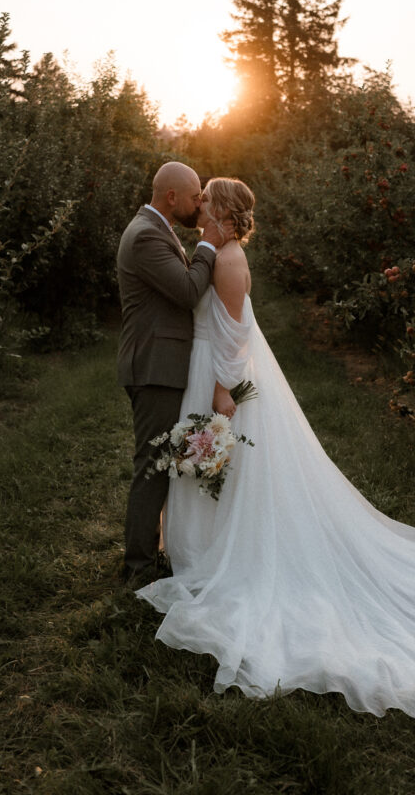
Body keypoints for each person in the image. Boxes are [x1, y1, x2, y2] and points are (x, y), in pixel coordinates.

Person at [137, 177, 415, 721]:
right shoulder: (217, 250)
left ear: (219, 211)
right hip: (206, 376)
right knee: (211, 473)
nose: (198, 208)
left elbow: (235, 334)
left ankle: (213, 557)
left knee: (226, 469)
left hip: (222, 384)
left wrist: (224, 393)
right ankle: (196, 551)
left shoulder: (229, 259)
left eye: (205, 202)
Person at [117, 161, 233, 586]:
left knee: (158, 461)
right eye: (194, 195)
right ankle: (138, 569)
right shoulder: (147, 235)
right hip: (153, 366)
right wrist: (207, 245)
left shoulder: (154, 229)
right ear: (171, 197)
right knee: (150, 465)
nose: (198, 203)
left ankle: (151, 554)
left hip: (159, 363)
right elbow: (186, 291)